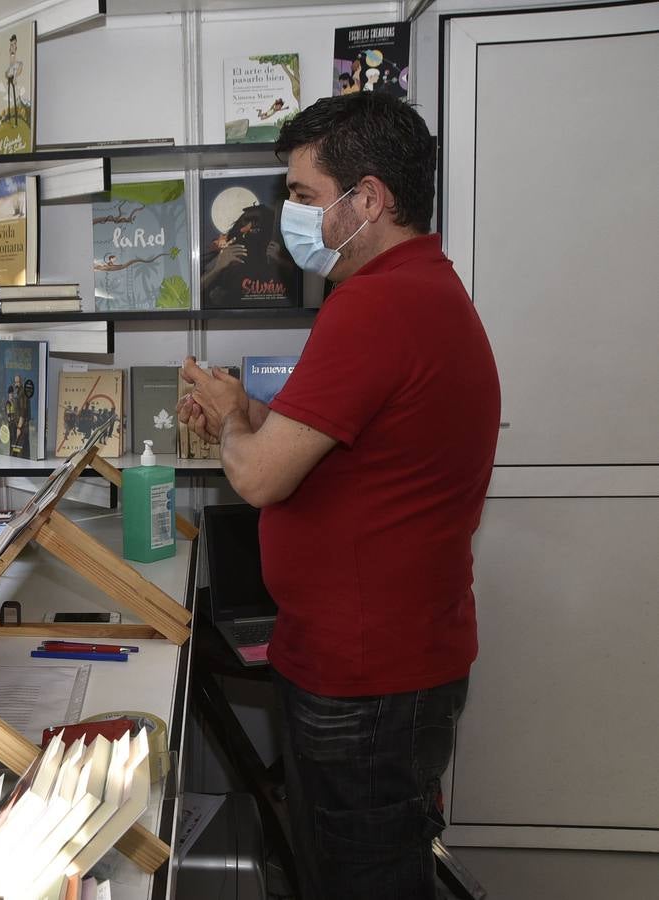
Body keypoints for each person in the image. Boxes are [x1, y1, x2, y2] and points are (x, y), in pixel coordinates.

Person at [178, 92, 500, 900]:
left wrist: (225, 423)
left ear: (369, 200)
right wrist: (245, 412)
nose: (291, 215)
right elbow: (332, 451)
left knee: (364, 880)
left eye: (302, 195)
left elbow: (257, 476)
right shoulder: (421, 290)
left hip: (368, 682)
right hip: (382, 662)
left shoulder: (377, 306)